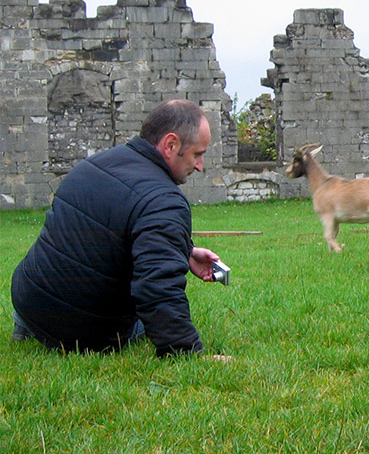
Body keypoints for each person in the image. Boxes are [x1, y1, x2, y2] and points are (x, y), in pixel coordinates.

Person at [10, 98, 225, 357]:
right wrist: (185, 351)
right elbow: (157, 288)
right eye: (197, 154)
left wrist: (184, 250)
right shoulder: (164, 200)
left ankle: (28, 327)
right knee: (138, 324)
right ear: (171, 144)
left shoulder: (93, 165)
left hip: (28, 301)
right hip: (80, 332)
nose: (200, 166)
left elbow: (106, 232)